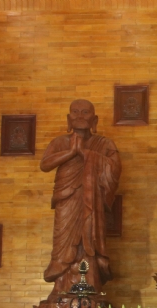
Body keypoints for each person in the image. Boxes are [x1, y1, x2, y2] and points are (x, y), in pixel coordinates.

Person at [40, 99, 121, 296]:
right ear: (69, 118)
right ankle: (61, 287)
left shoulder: (104, 144)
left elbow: (115, 168)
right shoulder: (60, 142)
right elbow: (45, 165)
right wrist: (70, 152)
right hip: (67, 200)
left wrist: (86, 154)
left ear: (94, 119)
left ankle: (90, 285)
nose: (79, 116)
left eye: (85, 112)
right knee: (63, 241)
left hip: (91, 202)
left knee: (89, 239)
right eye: (75, 112)